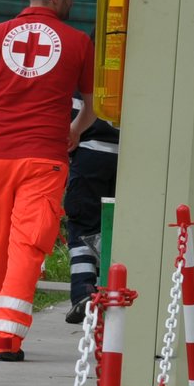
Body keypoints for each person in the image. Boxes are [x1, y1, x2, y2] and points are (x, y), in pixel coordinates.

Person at [0, 0, 94, 362]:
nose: (72, 3)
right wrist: (76, 130)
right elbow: (93, 105)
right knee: (28, 243)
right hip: (45, 157)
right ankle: (6, 332)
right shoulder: (79, 42)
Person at [64, 103, 119, 324]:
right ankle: (107, 287)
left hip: (89, 153)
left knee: (83, 227)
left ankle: (84, 291)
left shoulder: (91, 71)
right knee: (114, 228)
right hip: (129, 159)